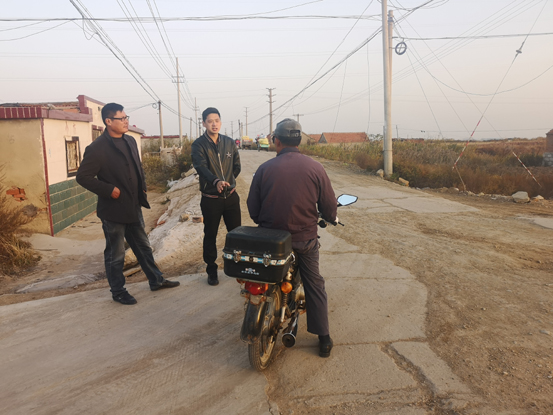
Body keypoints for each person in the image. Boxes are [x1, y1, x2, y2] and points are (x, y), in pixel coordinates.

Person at [247, 118, 337, 358]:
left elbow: (253, 209)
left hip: (270, 241)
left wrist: (266, 222)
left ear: (276, 141)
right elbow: (329, 207)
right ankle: (324, 338)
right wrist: (330, 217)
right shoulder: (315, 168)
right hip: (304, 240)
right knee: (314, 284)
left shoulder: (264, 169)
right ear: (299, 142)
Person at [76, 103, 180, 305]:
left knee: (143, 247)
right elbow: (83, 177)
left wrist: (143, 188)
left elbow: (137, 167)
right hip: (113, 210)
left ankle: (156, 280)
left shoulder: (130, 140)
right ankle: (118, 291)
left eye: (126, 118)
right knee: (116, 254)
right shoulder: (97, 148)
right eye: (121, 118)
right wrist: (109, 190)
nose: (126, 122)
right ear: (108, 121)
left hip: (133, 206)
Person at [191, 107, 241, 286]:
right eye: (210, 121)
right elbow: (201, 167)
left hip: (231, 197)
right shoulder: (198, 145)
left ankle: (237, 266)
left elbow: (237, 166)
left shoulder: (229, 142)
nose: (214, 124)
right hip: (211, 199)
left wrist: (228, 182)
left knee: (236, 234)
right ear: (204, 123)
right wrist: (216, 182)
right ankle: (211, 269)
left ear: (220, 122)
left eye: (217, 120)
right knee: (210, 234)